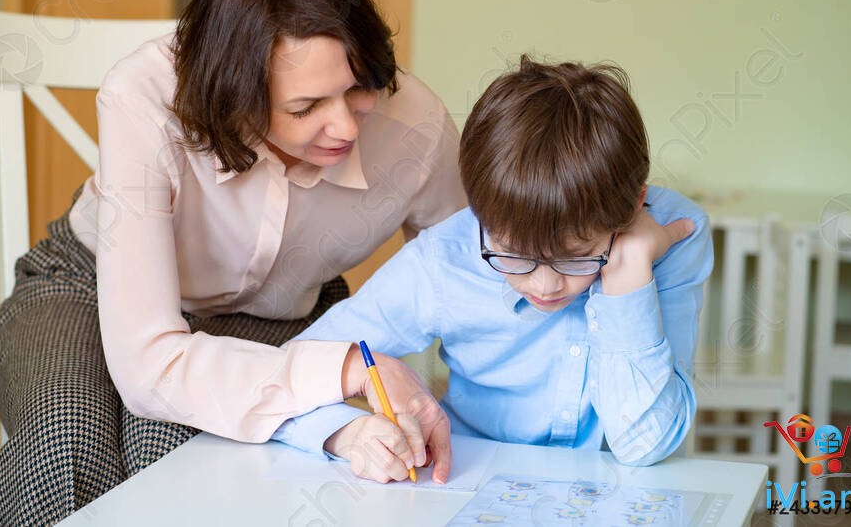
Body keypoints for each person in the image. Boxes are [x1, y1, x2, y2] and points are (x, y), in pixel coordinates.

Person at [0, 0, 465, 525]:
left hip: (276, 314)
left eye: (359, 88)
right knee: (63, 433)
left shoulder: (416, 125)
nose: (344, 126)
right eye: (304, 108)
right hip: (84, 284)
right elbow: (148, 368)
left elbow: (470, 275)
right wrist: (343, 367)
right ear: (235, 97)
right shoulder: (146, 94)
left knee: (175, 448)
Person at [273, 55, 714, 483]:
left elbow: (644, 444)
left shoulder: (672, 237)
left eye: (576, 254)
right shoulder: (447, 257)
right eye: (513, 252)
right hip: (466, 485)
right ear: (479, 213)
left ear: (633, 206)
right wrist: (348, 434)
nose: (545, 284)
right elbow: (281, 376)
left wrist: (629, 273)